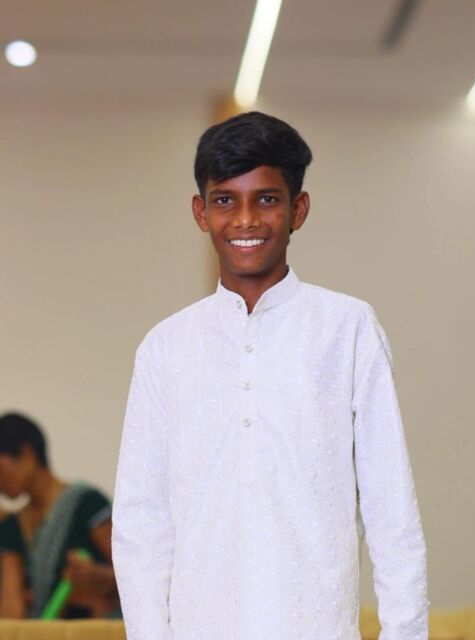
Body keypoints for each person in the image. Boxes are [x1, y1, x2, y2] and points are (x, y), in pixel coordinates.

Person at [112, 111, 428, 640]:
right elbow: (141, 526)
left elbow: (392, 510)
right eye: (224, 200)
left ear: (297, 209)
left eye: (266, 199)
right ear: (200, 212)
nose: (245, 220)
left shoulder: (348, 329)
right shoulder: (165, 348)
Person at [0, 412, 120, 619]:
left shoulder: (86, 503)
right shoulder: (10, 526)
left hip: (98, 629)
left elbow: (136, 572)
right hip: (46, 632)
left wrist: (99, 576)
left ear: (26, 455)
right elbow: (12, 607)